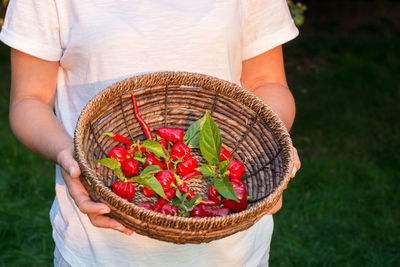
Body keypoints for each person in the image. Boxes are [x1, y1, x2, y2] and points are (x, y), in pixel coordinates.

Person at [0, 0, 301, 266]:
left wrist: (273, 138)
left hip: (234, 250)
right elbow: (30, 100)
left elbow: (266, 81)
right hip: (100, 251)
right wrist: (67, 154)